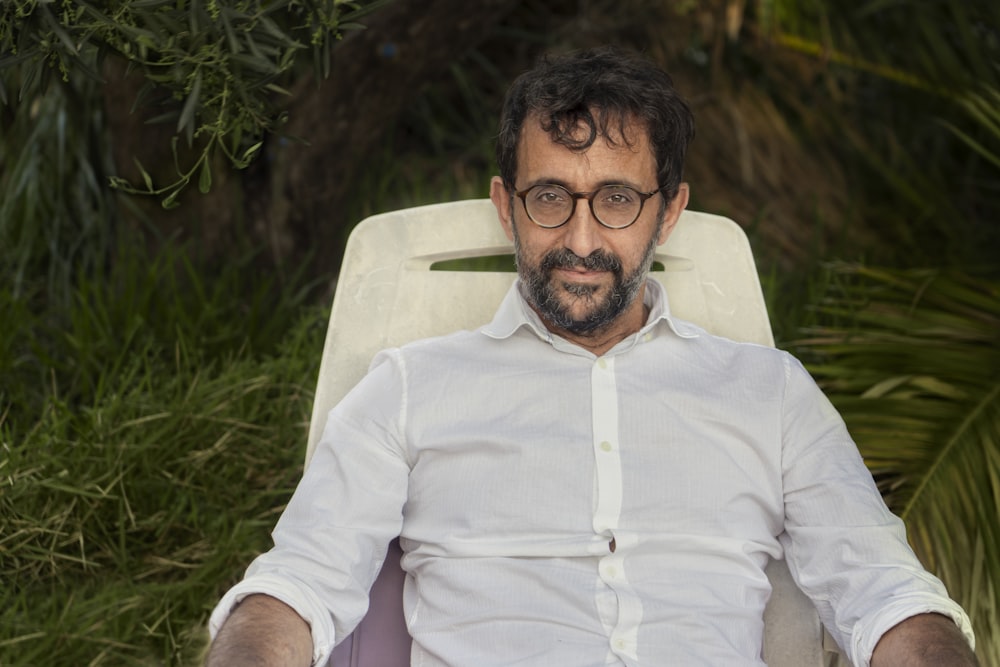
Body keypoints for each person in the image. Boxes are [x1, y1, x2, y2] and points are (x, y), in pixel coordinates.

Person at [206, 47, 978, 667]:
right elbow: (298, 582)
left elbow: (885, 594)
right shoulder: (409, 389)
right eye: (550, 198)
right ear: (506, 204)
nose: (580, 240)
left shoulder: (770, 395)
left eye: (615, 200)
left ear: (668, 211)